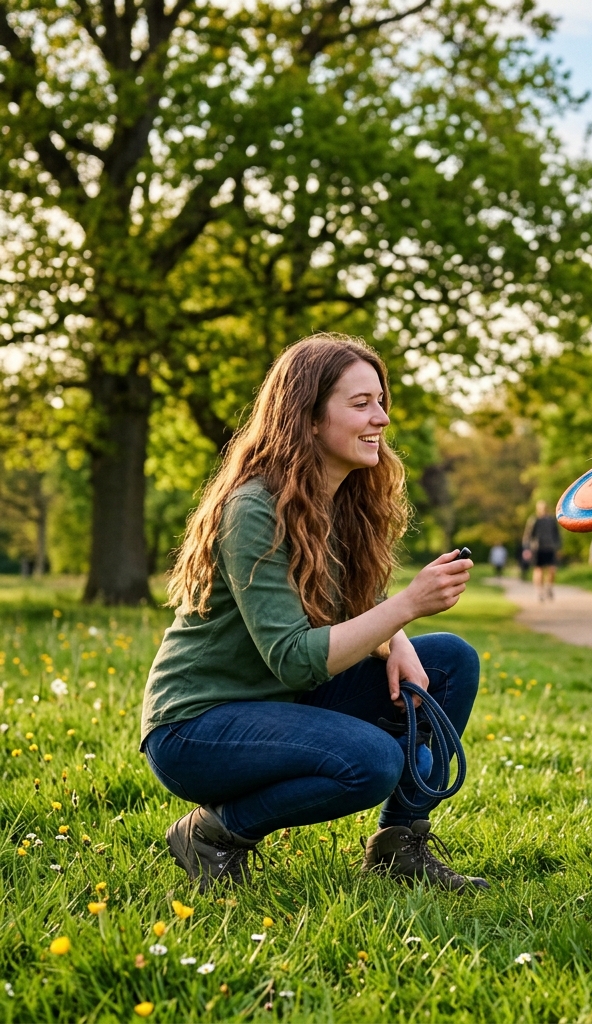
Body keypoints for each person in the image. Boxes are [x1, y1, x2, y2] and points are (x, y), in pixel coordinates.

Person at [141, 334, 487, 892]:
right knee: (371, 761)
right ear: (307, 417)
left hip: (280, 704)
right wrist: (408, 605)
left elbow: (358, 603)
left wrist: (396, 638)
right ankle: (212, 832)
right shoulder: (252, 508)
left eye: (381, 402)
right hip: (197, 728)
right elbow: (295, 660)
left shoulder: (345, 499)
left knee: (449, 660)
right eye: (360, 404)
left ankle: (400, 847)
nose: (380, 418)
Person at [522, 500, 561, 601]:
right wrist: (527, 549)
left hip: (550, 548)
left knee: (552, 570)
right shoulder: (534, 520)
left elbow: (557, 534)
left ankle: (549, 587)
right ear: (538, 509)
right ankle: (539, 591)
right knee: (538, 570)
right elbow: (528, 536)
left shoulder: (552, 520)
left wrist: (558, 547)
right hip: (537, 549)